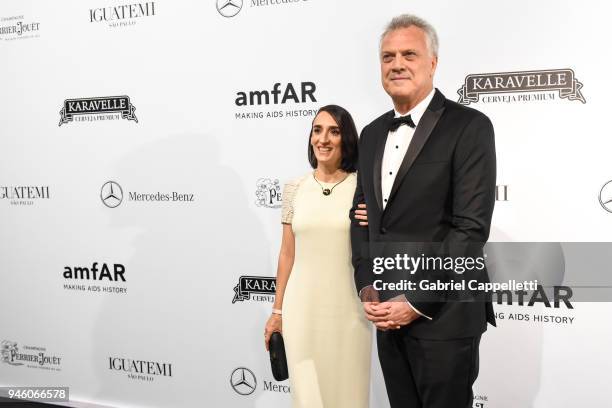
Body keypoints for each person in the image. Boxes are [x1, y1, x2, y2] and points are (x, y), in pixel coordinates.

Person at [350, 14, 497, 408]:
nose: (396, 63)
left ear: (432, 62)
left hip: (443, 314)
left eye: (409, 54)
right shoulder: (371, 134)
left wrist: (414, 302)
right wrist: (368, 285)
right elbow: (359, 219)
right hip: (386, 312)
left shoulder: (470, 126)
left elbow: (469, 229)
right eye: (387, 56)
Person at [264, 105, 371, 408]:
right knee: (308, 398)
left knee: (349, 395)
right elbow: (287, 254)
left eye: (334, 131)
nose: (323, 139)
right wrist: (278, 311)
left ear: (346, 139)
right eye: (317, 129)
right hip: (301, 310)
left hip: (350, 310)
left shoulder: (363, 189)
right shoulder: (295, 188)